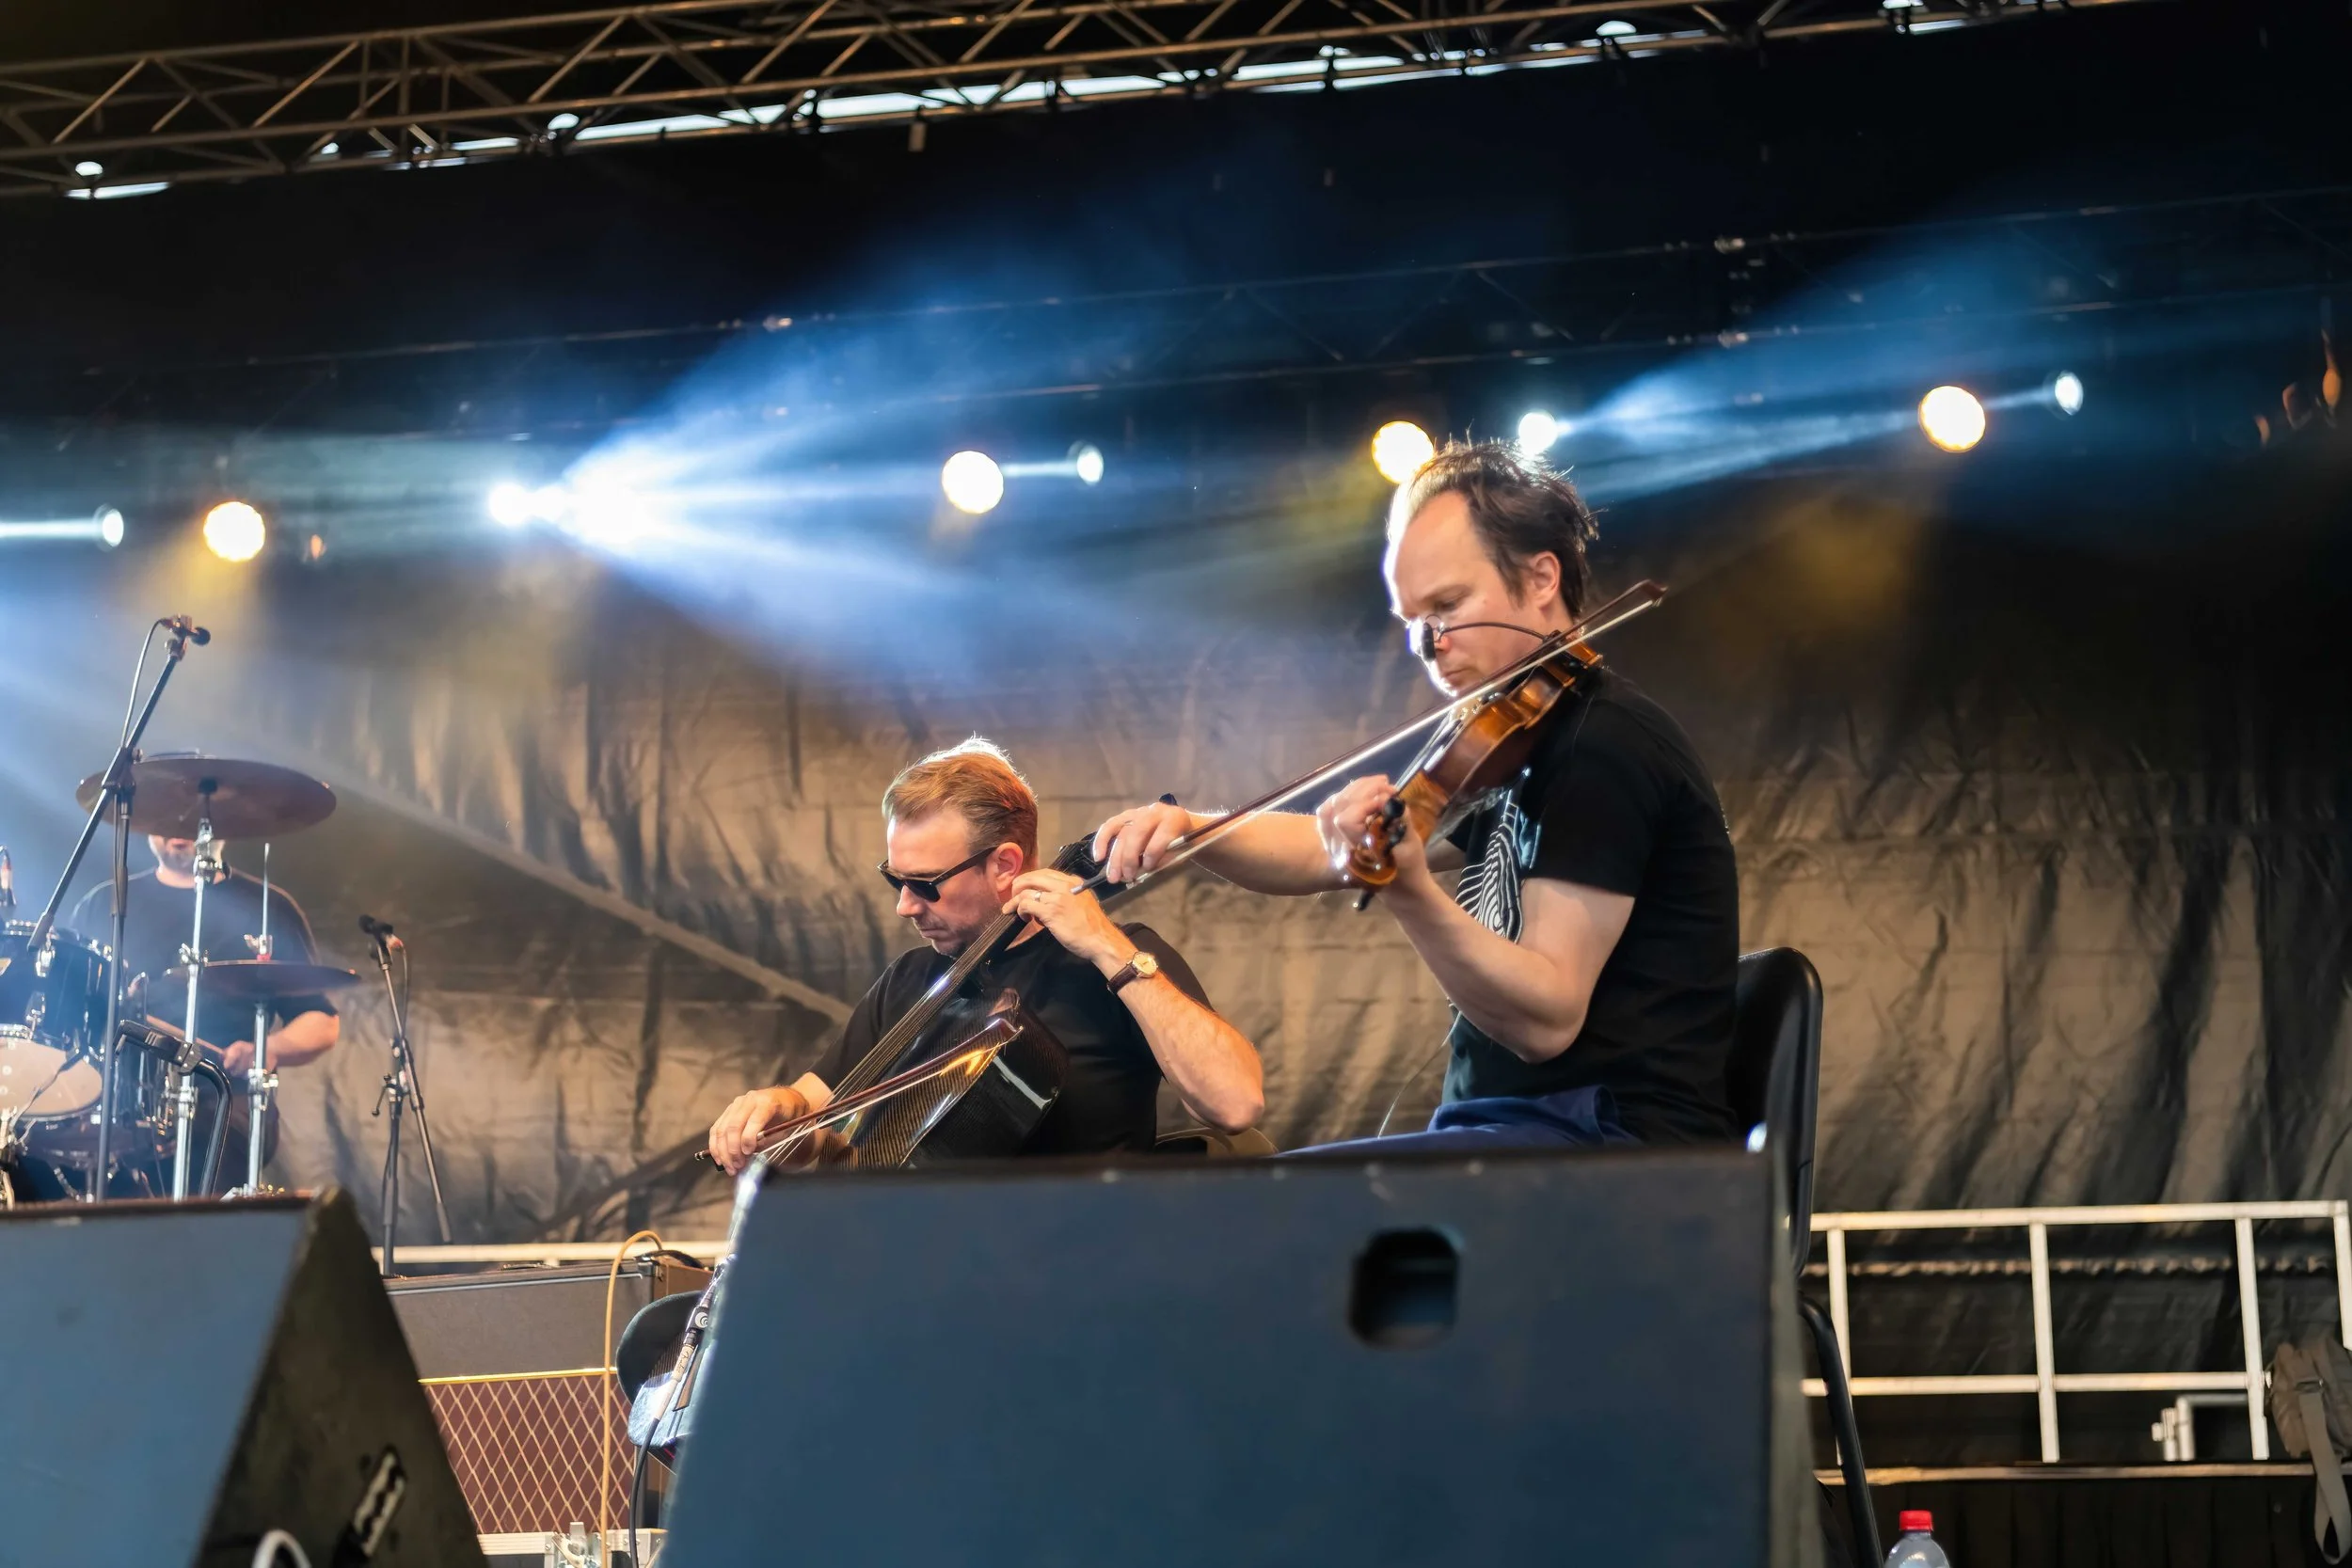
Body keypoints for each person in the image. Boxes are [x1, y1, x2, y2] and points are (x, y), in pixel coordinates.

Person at [1093, 439, 1739, 1152]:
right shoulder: (1504, 739)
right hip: (1511, 1131)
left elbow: (1548, 1016)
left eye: (1448, 606)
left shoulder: (1605, 742)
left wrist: (1408, 891)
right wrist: (1192, 830)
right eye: (1412, 624)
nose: (1431, 647)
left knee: (1265, 1202)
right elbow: (1323, 847)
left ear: (1541, 577)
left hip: (1607, 1137)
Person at [707, 739, 1264, 1172]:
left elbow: (1236, 1105)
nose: (904, 906)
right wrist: (775, 1107)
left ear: (1004, 865)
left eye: (925, 884)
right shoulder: (911, 980)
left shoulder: (1121, 956)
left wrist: (1108, 948)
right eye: (894, 879)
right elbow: (818, 1120)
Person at [68, 833, 340, 1185]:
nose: (178, 826)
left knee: (206, 1142)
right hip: (115, 1100)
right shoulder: (106, 902)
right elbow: (67, 1006)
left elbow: (321, 1021)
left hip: (222, 1098)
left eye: (192, 815)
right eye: (168, 814)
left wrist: (267, 1049)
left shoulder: (267, 907)